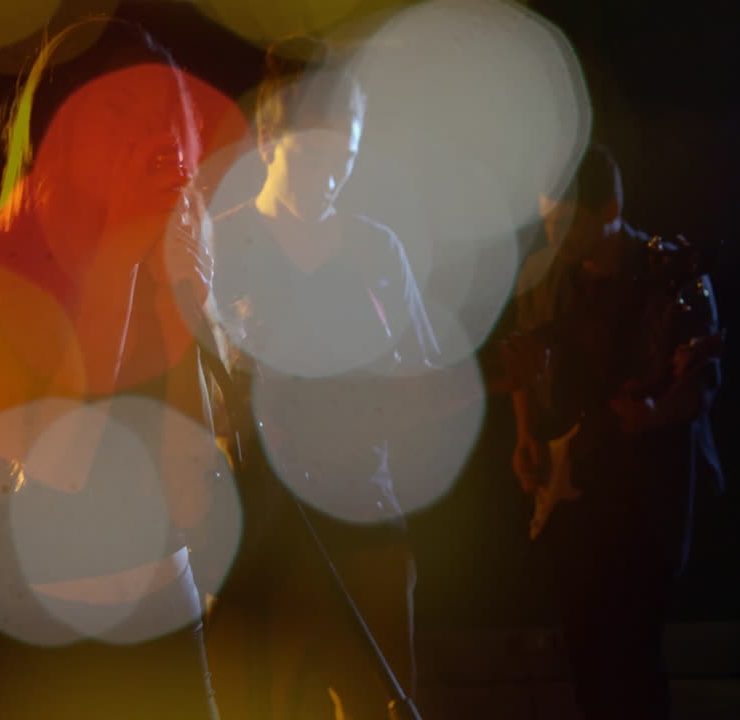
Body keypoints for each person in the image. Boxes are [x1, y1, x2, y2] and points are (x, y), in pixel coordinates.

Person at [0, 16, 228, 720]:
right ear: (55, 128)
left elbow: (195, 474)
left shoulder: (154, 270)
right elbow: (61, 458)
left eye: (165, 116)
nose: (150, 138)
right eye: (120, 110)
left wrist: (183, 296)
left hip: (166, 629)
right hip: (33, 654)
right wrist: (116, 265)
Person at [204, 34, 533, 720]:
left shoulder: (377, 250)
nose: (334, 174)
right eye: (317, 155)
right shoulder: (219, 247)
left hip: (364, 519)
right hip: (257, 534)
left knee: (377, 698)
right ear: (269, 142)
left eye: (346, 158)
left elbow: (417, 374)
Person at [509, 144, 724, 720]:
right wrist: (526, 435)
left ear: (609, 209)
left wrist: (652, 413)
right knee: (584, 648)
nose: (554, 236)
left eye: (564, 222)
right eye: (547, 220)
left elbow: (703, 382)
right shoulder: (547, 276)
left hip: (648, 495)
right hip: (576, 489)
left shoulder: (671, 272)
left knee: (634, 650)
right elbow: (524, 362)